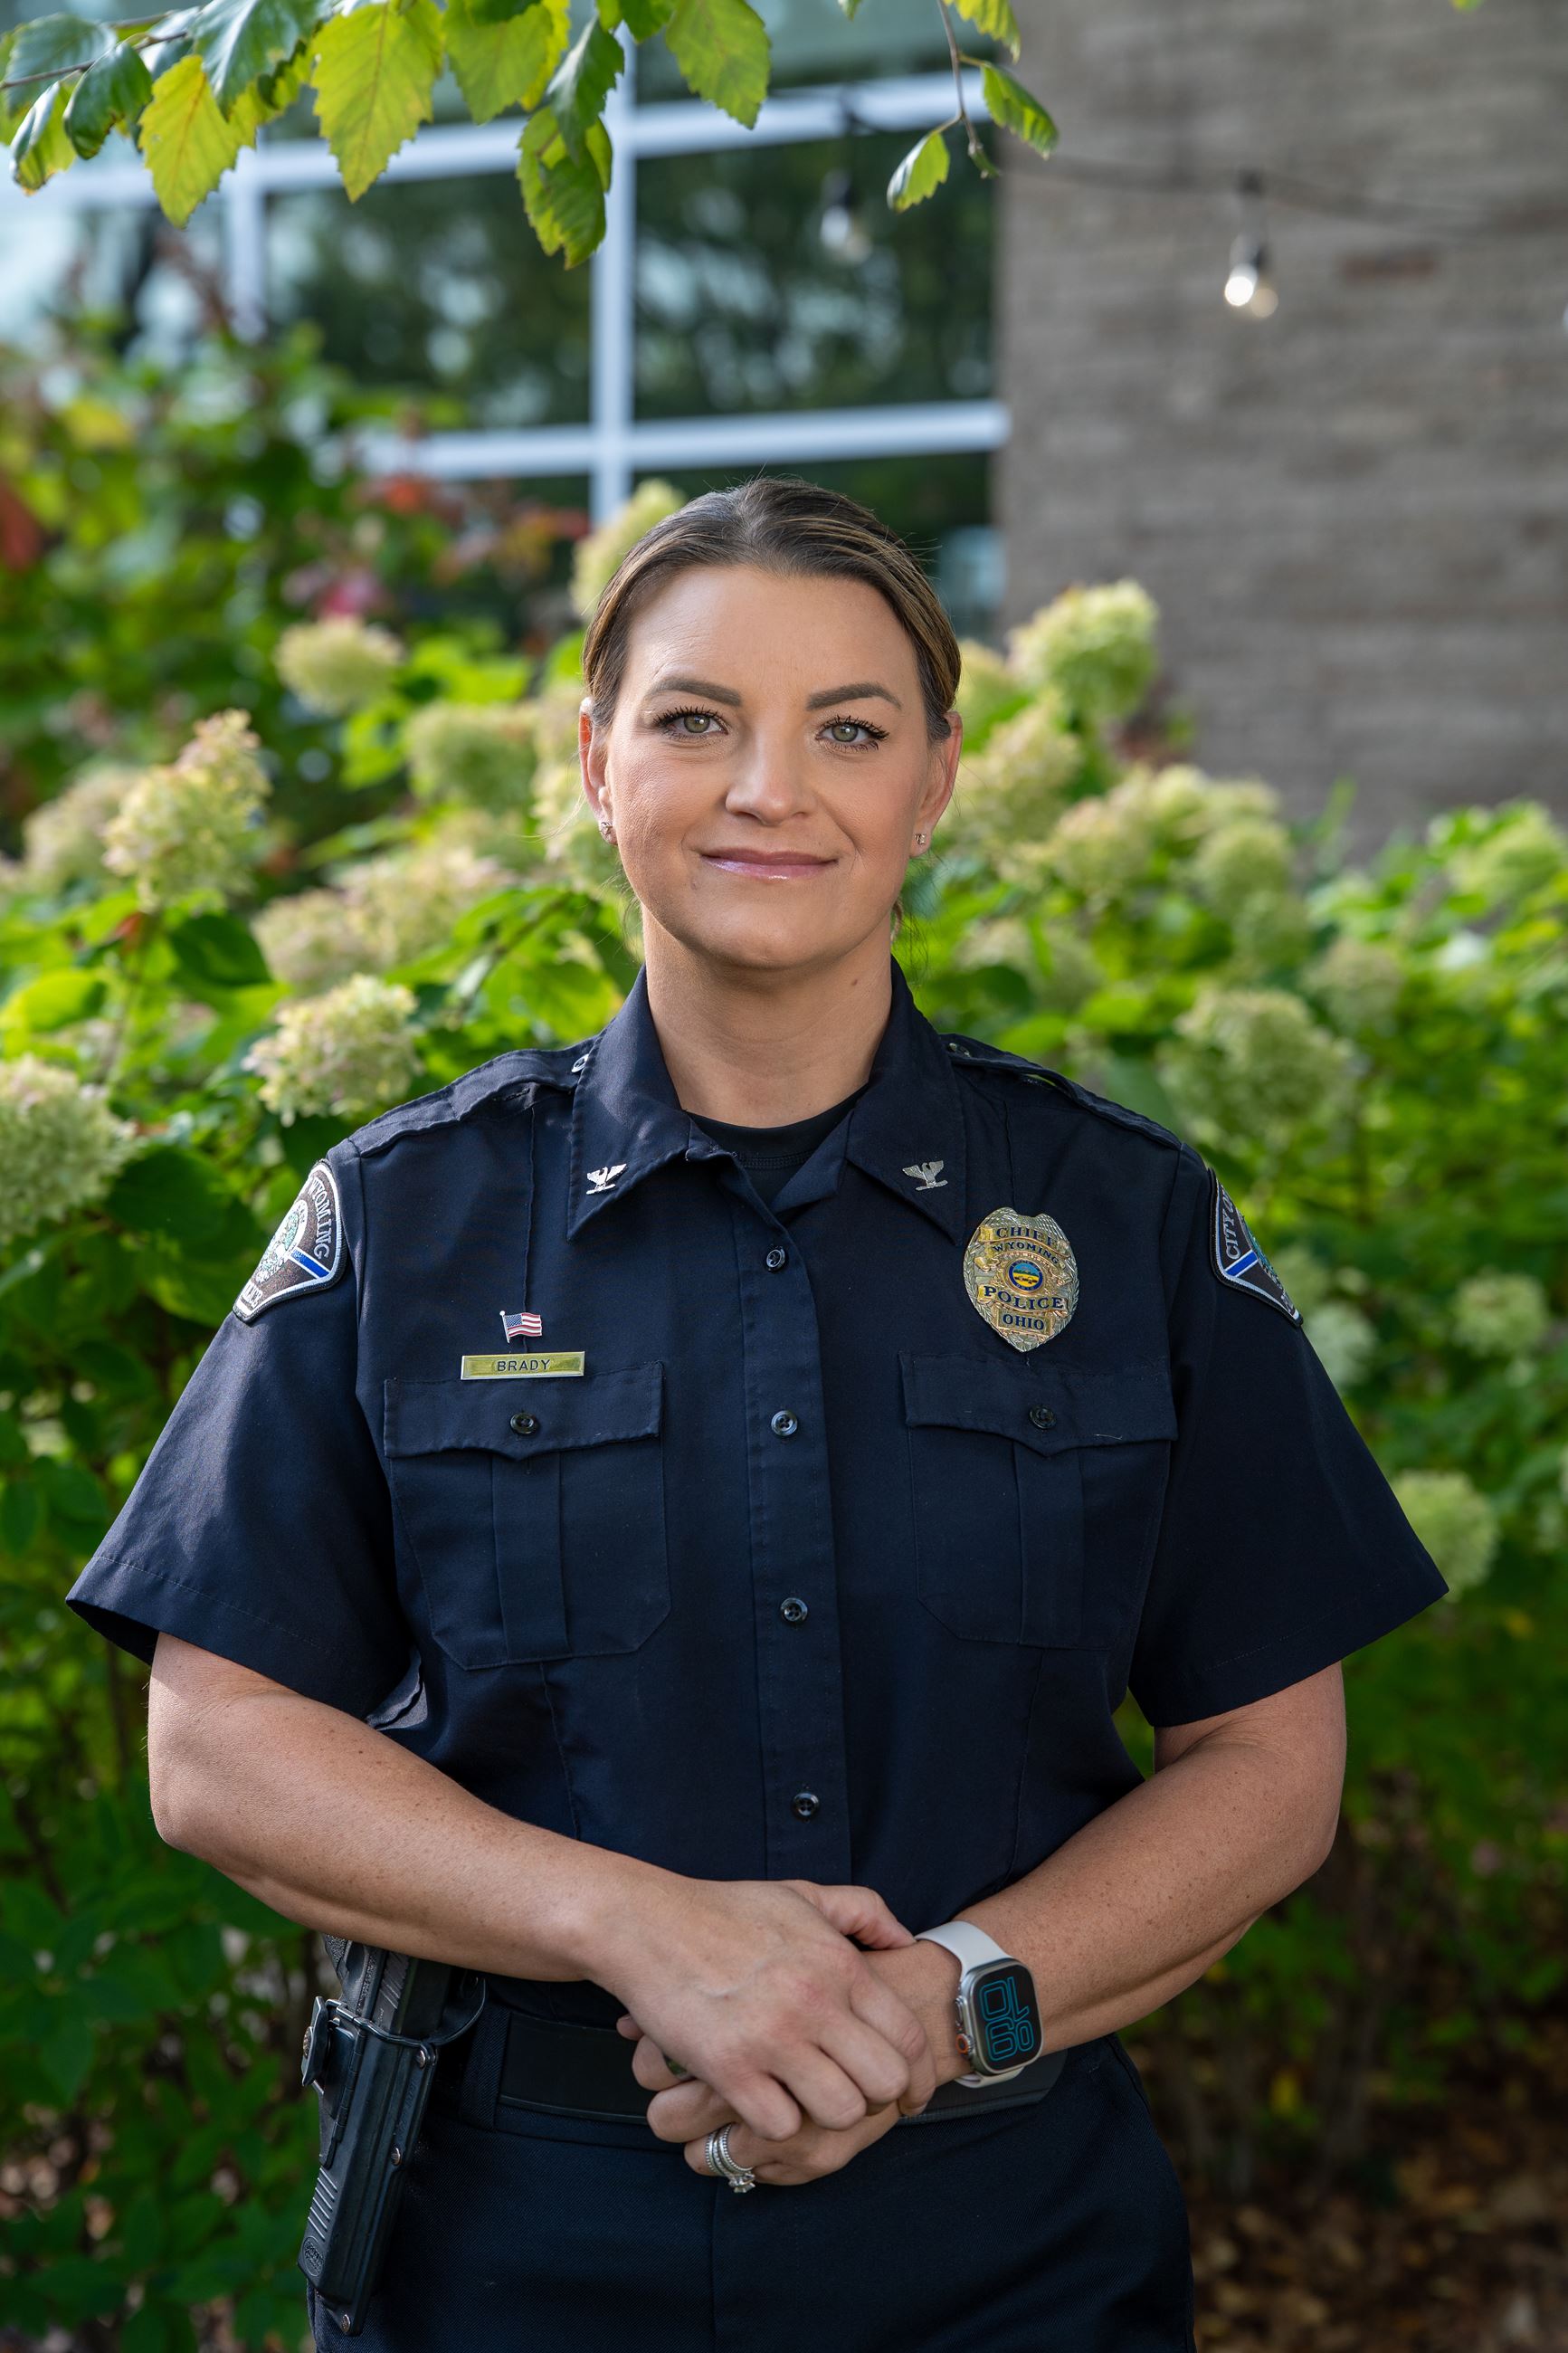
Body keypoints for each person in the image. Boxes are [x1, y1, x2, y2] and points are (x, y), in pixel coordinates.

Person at [66, 474, 1449, 2353]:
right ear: (596, 760)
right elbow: (216, 1743)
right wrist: (637, 1923)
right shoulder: (409, 1217)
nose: (767, 788)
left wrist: (944, 1998)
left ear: (936, 779)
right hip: (506, 2255)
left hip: (1013, 2248)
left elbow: (1273, 1764)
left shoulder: (1123, 1221)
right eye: (696, 719)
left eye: (850, 728)